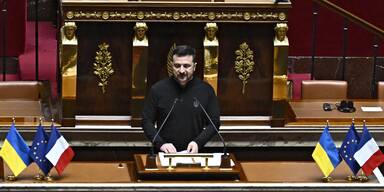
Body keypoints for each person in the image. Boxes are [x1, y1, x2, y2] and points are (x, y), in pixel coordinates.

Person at [142, 45, 220, 153]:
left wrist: (198, 142)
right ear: (171, 66)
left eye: (186, 66)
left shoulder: (206, 90)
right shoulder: (158, 89)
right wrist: (161, 144)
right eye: (177, 66)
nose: (181, 70)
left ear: (194, 66)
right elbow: (146, 121)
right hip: (165, 155)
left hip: (194, 154)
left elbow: (214, 123)